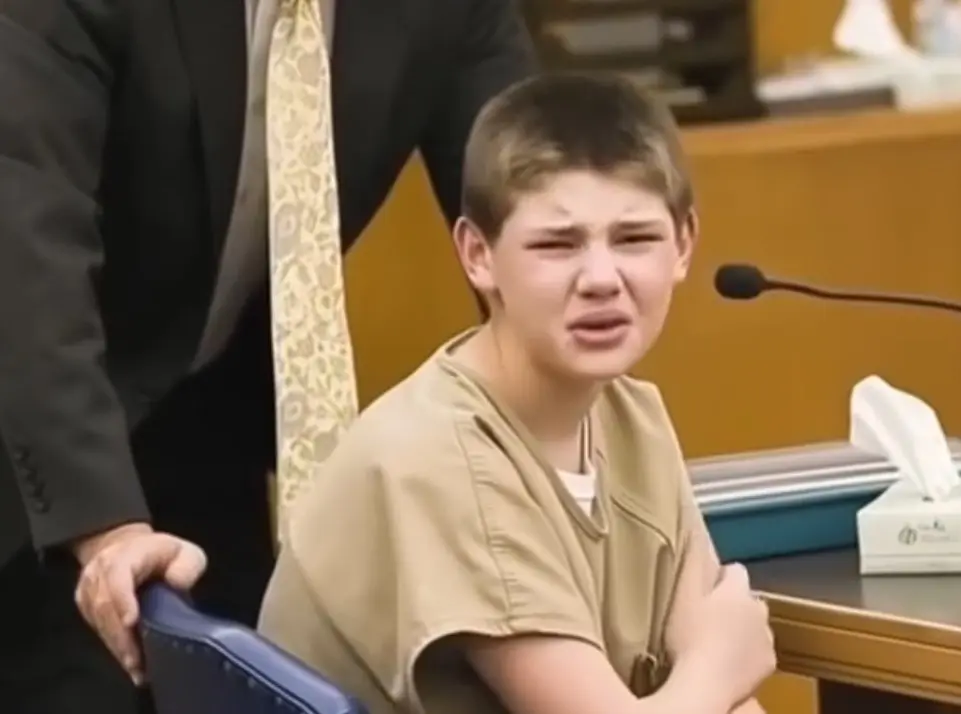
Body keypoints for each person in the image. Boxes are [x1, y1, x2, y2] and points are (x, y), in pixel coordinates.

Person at [0, 0, 535, 712]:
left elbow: (539, 210)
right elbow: (26, 258)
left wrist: (583, 473)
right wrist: (106, 533)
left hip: (207, 420)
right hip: (35, 432)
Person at [258, 72, 776, 714]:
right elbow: (715, 665)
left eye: (634, 239)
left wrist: (714, 671)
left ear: (684, 244)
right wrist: (720, 667)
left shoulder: (634, 420)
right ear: (478, 255)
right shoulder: (441, 459)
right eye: (557, 245)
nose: (601, 278)